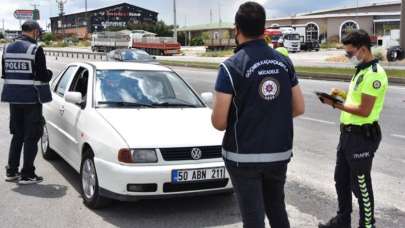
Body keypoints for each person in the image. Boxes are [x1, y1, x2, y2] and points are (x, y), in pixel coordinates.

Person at [211, 2, 305, 228]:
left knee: (253, 219)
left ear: (237, 29)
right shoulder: (283, 62)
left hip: (243, 157)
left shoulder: (230, 67)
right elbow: (299, 107)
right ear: (264, 29)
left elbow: (219, 122)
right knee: (277, 210)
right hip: (279, 153)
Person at [318, 29, 388, 228]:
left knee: (361, 186)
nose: (347, 57)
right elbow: (356, 98)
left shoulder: (375, 75)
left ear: (363, 50)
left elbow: (364, 110)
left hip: (362, 137)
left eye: (350, 53)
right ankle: (342, 221)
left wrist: (333, 104)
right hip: (348, 136)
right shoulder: (361, 70)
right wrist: (341, 94)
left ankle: (367, 225)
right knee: (341, 180)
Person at [2, 20, 53, 184]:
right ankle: (27, 174)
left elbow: (5, 73)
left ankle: (11, 171)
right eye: (38, 31)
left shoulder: (7, 48)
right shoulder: (35, 49)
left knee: (17, 135)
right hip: (31, 99)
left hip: (13, 98)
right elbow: (43, 76)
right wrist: (49, 74)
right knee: (31, 136)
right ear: (34, 31)